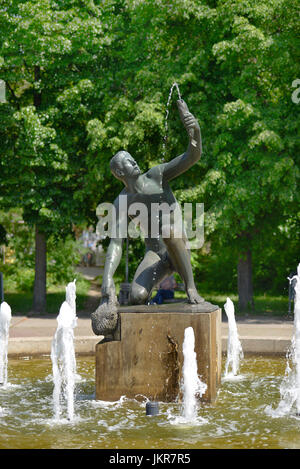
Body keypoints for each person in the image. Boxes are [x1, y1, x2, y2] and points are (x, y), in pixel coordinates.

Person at [98, 99, 203, 313]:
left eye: (132, 158)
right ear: (119, 173)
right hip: (156, 255)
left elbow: (192, 157)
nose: (134, 162)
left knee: (167, 230)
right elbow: (116, 243)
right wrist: (107, 278)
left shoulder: (157, 176)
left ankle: (191, 287)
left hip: (178, 246)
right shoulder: (122, 201)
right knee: (136, 297)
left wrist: (195, 132)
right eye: (128, 161)